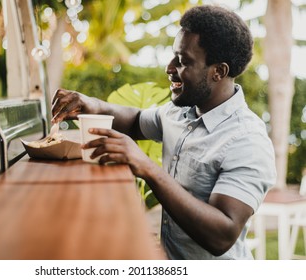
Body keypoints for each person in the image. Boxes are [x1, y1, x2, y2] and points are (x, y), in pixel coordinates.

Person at [51, 5, 276, 260]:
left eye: (183, 61)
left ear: (218, 71)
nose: (169, 68)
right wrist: (93, 104)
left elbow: (222, 235)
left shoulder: (247, 140)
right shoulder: (182, 111)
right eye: (173, 57)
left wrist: (146, 167)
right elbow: (136, 121)